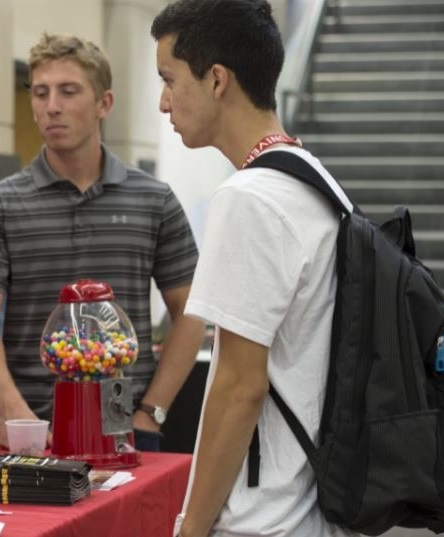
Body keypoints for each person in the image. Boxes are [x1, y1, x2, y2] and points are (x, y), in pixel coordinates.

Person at [151, 1, 350, 535]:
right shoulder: (311, 177)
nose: (163, 102)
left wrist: (191, 526)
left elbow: (240, 386)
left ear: (217, 80)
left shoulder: (250, 196)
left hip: (263, 519)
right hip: (314, 507)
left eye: (169, 80)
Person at [0, 33, 205, 451]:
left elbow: (192, 311)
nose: (50, 106)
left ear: (104, 104)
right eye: (40, 93)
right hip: (35, 431)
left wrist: (153, 411)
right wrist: (11, 410)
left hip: (128, 430)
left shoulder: (154, 200)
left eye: (68, 91)